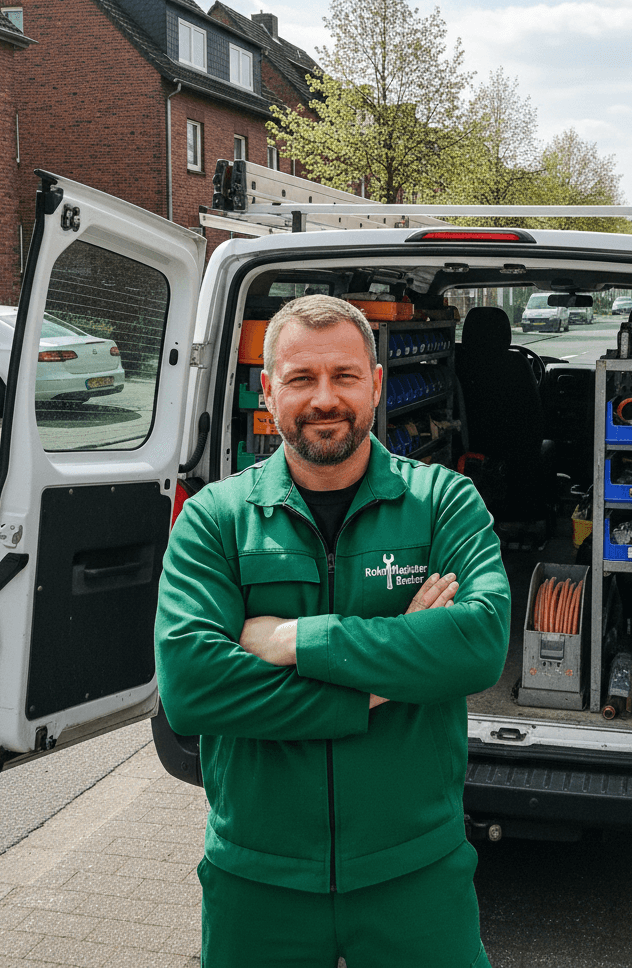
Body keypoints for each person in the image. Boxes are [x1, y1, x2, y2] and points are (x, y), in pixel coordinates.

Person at [155, 294, 510, 967]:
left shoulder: (442, 503)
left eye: (345, 376)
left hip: (416, 872)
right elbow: (194, 691)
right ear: (268, 390)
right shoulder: (215, 519)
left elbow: (479, 643)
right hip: (257, 880)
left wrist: (296, 640)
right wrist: (381, 683)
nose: (325, 398)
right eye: (301, 378)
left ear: (376, 385)